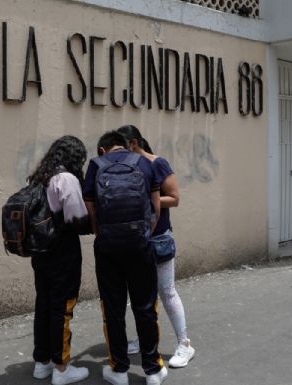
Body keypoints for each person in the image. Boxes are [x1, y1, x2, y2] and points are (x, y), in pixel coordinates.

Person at [83, 130, 168, 385]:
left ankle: (119, 370)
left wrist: (103, 234)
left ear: (103, 149)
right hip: (140, 246)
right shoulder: (143, 162)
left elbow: (91, 210)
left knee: (113, 308)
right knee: (145, 306)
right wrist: (142, 234)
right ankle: (153, 370)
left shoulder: (95, 165)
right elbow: (155, 207)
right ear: (124, 146)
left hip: (108, 248)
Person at [117, 125, 196, 368]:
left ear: (133, 143)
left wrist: (145, 199)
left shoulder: (158, 163)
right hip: (135, 239)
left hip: (159, 237)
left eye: (121, 147)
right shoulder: (127, 167)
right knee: (142, 294)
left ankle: (185, 344)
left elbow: (174, 198)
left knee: (167, 291)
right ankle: (145, 339)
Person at [26, 135, 90, 385]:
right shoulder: (66, 179)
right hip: (63, 251)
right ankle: (61, 368)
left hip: (40, 251)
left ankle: (42, 362)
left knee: (43, 303)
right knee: (61, 308)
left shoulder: (38, 177)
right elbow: (78, 220)